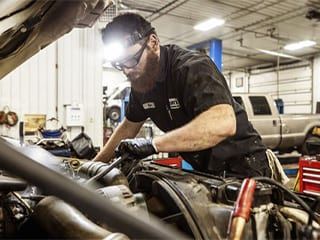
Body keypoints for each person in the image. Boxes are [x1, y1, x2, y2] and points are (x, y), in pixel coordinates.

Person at [94, 13, 274, 178]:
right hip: (206, 171)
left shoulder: (192, 67)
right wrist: (93, 166)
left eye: (131, 61)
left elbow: (223, 124)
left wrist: (153, 144)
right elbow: (128, 127)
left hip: (246, 166)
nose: (126, 71)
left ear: (153, 42)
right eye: (120, 65)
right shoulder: (142, 84)